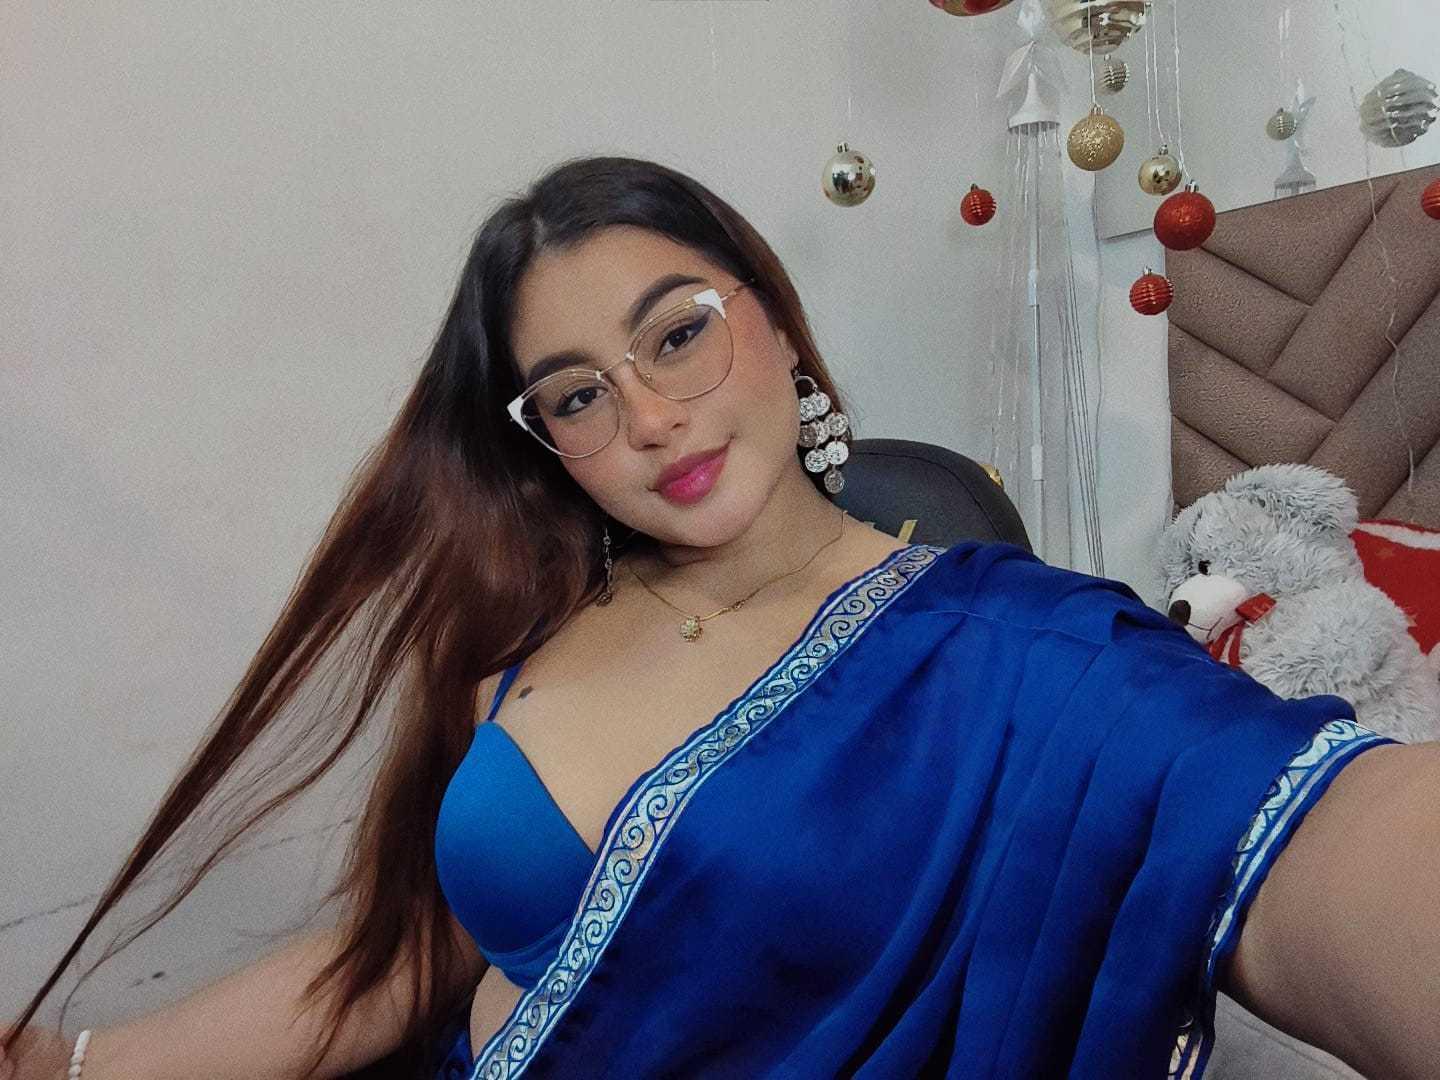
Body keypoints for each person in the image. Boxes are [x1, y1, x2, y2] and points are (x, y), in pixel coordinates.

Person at [4, 155, 1437, 1080]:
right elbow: (409, 960)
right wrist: (70, 1061)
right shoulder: (523, 638)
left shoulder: (1021, 655)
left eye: (677, 331)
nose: (647, 415)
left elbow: (1316, 836)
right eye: (577, 393)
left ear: (777, 324)